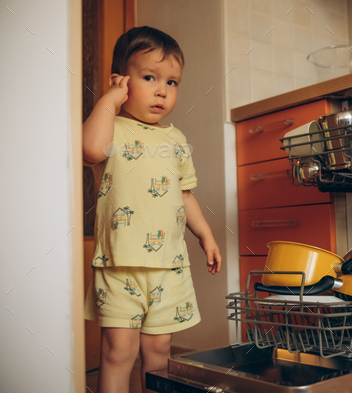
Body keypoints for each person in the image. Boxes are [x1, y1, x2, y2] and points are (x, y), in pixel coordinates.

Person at [82, 26, 221, 393]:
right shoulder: (112, 127)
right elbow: (89, 151)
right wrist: (110, 100)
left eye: (172, 82)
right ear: (121, 80)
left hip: (169, 266)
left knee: (159, 351)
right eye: (149, 77)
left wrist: (205, 236)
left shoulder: (175, 140)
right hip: (119, 265)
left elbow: (184, 196)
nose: (162, 90)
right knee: (117, 352)